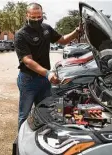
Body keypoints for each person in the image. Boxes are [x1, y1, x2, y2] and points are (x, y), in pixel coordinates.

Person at [14, 2, 83, 130]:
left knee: (45, 112)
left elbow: (62, 40)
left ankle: (40, 140)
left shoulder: (46, 28)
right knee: (24, 115)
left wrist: (77, 31)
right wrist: (48, 73)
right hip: (28, 80)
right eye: (33, 17)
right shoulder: (21, 35)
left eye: (39, 16)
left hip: (44, 80)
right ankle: (21, 144)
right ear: (27, 16)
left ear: (42, 15)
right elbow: (27, 61)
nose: (36, 19)